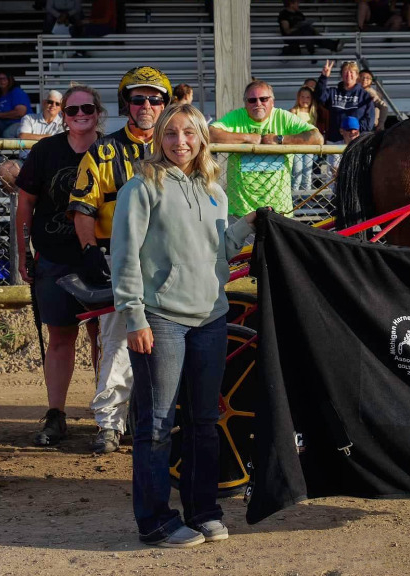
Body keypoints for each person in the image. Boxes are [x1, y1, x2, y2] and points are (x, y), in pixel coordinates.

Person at [110, 103, 256, 548]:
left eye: (189, 133)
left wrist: (248, 225)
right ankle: (155, 521)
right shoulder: (142, 186)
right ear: (159, 139)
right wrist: (134, 315)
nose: (180, 142)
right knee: (155, 425)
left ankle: (203, 510)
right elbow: (124, 256)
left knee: (204, 421)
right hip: (162, 320)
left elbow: (219, 250)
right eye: (171, 134)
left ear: (201, 138)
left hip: (210, 317)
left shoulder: (215, 189)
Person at [68, 66, 171, 454]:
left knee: (170, 340)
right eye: (138, 98)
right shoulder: (103, 151)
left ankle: (161, 420)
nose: (147, 105)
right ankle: (109, 424)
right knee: (117, 342)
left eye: (155, 99)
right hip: (120, 257)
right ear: (125, 103)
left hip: (170, 261)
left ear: (165, 103)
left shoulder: (179, 146)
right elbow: (82, 208)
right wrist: (90, 249)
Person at [15, 85, 105, 446]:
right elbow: (25, 205)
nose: (80, 114)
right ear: (62, 115)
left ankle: (109, 414)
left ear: (98, 111)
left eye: (87, 108)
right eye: (72, 110)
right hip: (54, 257)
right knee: (60, 338)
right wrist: (22, 253)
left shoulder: (110, 147)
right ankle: (56, 413)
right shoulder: (46, 150)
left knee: (105, 338)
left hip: (102, 256)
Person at [208, 80, 323, 217]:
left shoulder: (283, 117)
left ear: (272, 102)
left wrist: (279, 139)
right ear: (245, 103)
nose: (258, 104)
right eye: (252, 100)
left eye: (263, 99)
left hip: (279, 209)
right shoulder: (237, 116)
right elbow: (209, 134)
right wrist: (248, 138)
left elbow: (317, 138)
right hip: (241, 209)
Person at [315, 60, 375, 144]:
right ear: (341, 75)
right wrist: (324, 77)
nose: (348, 75)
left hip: (357, 142)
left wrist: (352, 130)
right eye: (345, 72)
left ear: (357, 75)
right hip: (335, 141)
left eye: (351, 72)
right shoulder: (333, 92)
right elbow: (320, 97)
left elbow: (369, 121)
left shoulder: (364, 95)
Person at [279, 0, 345, 56]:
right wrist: (298, 26)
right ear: (291, 4)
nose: (298, 4)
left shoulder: (299, 14)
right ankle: (312, 51)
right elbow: (287, 31)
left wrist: (316, 33)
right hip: (292, 37)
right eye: (297, 3)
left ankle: (334, 45)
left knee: (312, 34)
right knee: (306, 30)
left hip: (305, 35)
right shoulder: (284, 14)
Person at [289, 86, 319, 192]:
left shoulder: (313, 113)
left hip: (309, 148)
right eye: (302, 97)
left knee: (307, 172)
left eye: (308, 97)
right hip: (297, 147)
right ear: (298, 98)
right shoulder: (293, 111)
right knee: (296, 172)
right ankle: (294, 198)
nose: (305, 100)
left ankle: (307, 199)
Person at [0, 71, 31, 139]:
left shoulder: (17, 92)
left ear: (10, 80)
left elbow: (20, 113)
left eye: (4, 79)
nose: (2, 81)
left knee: (7, 133)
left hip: (19, 123)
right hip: (2, 123)